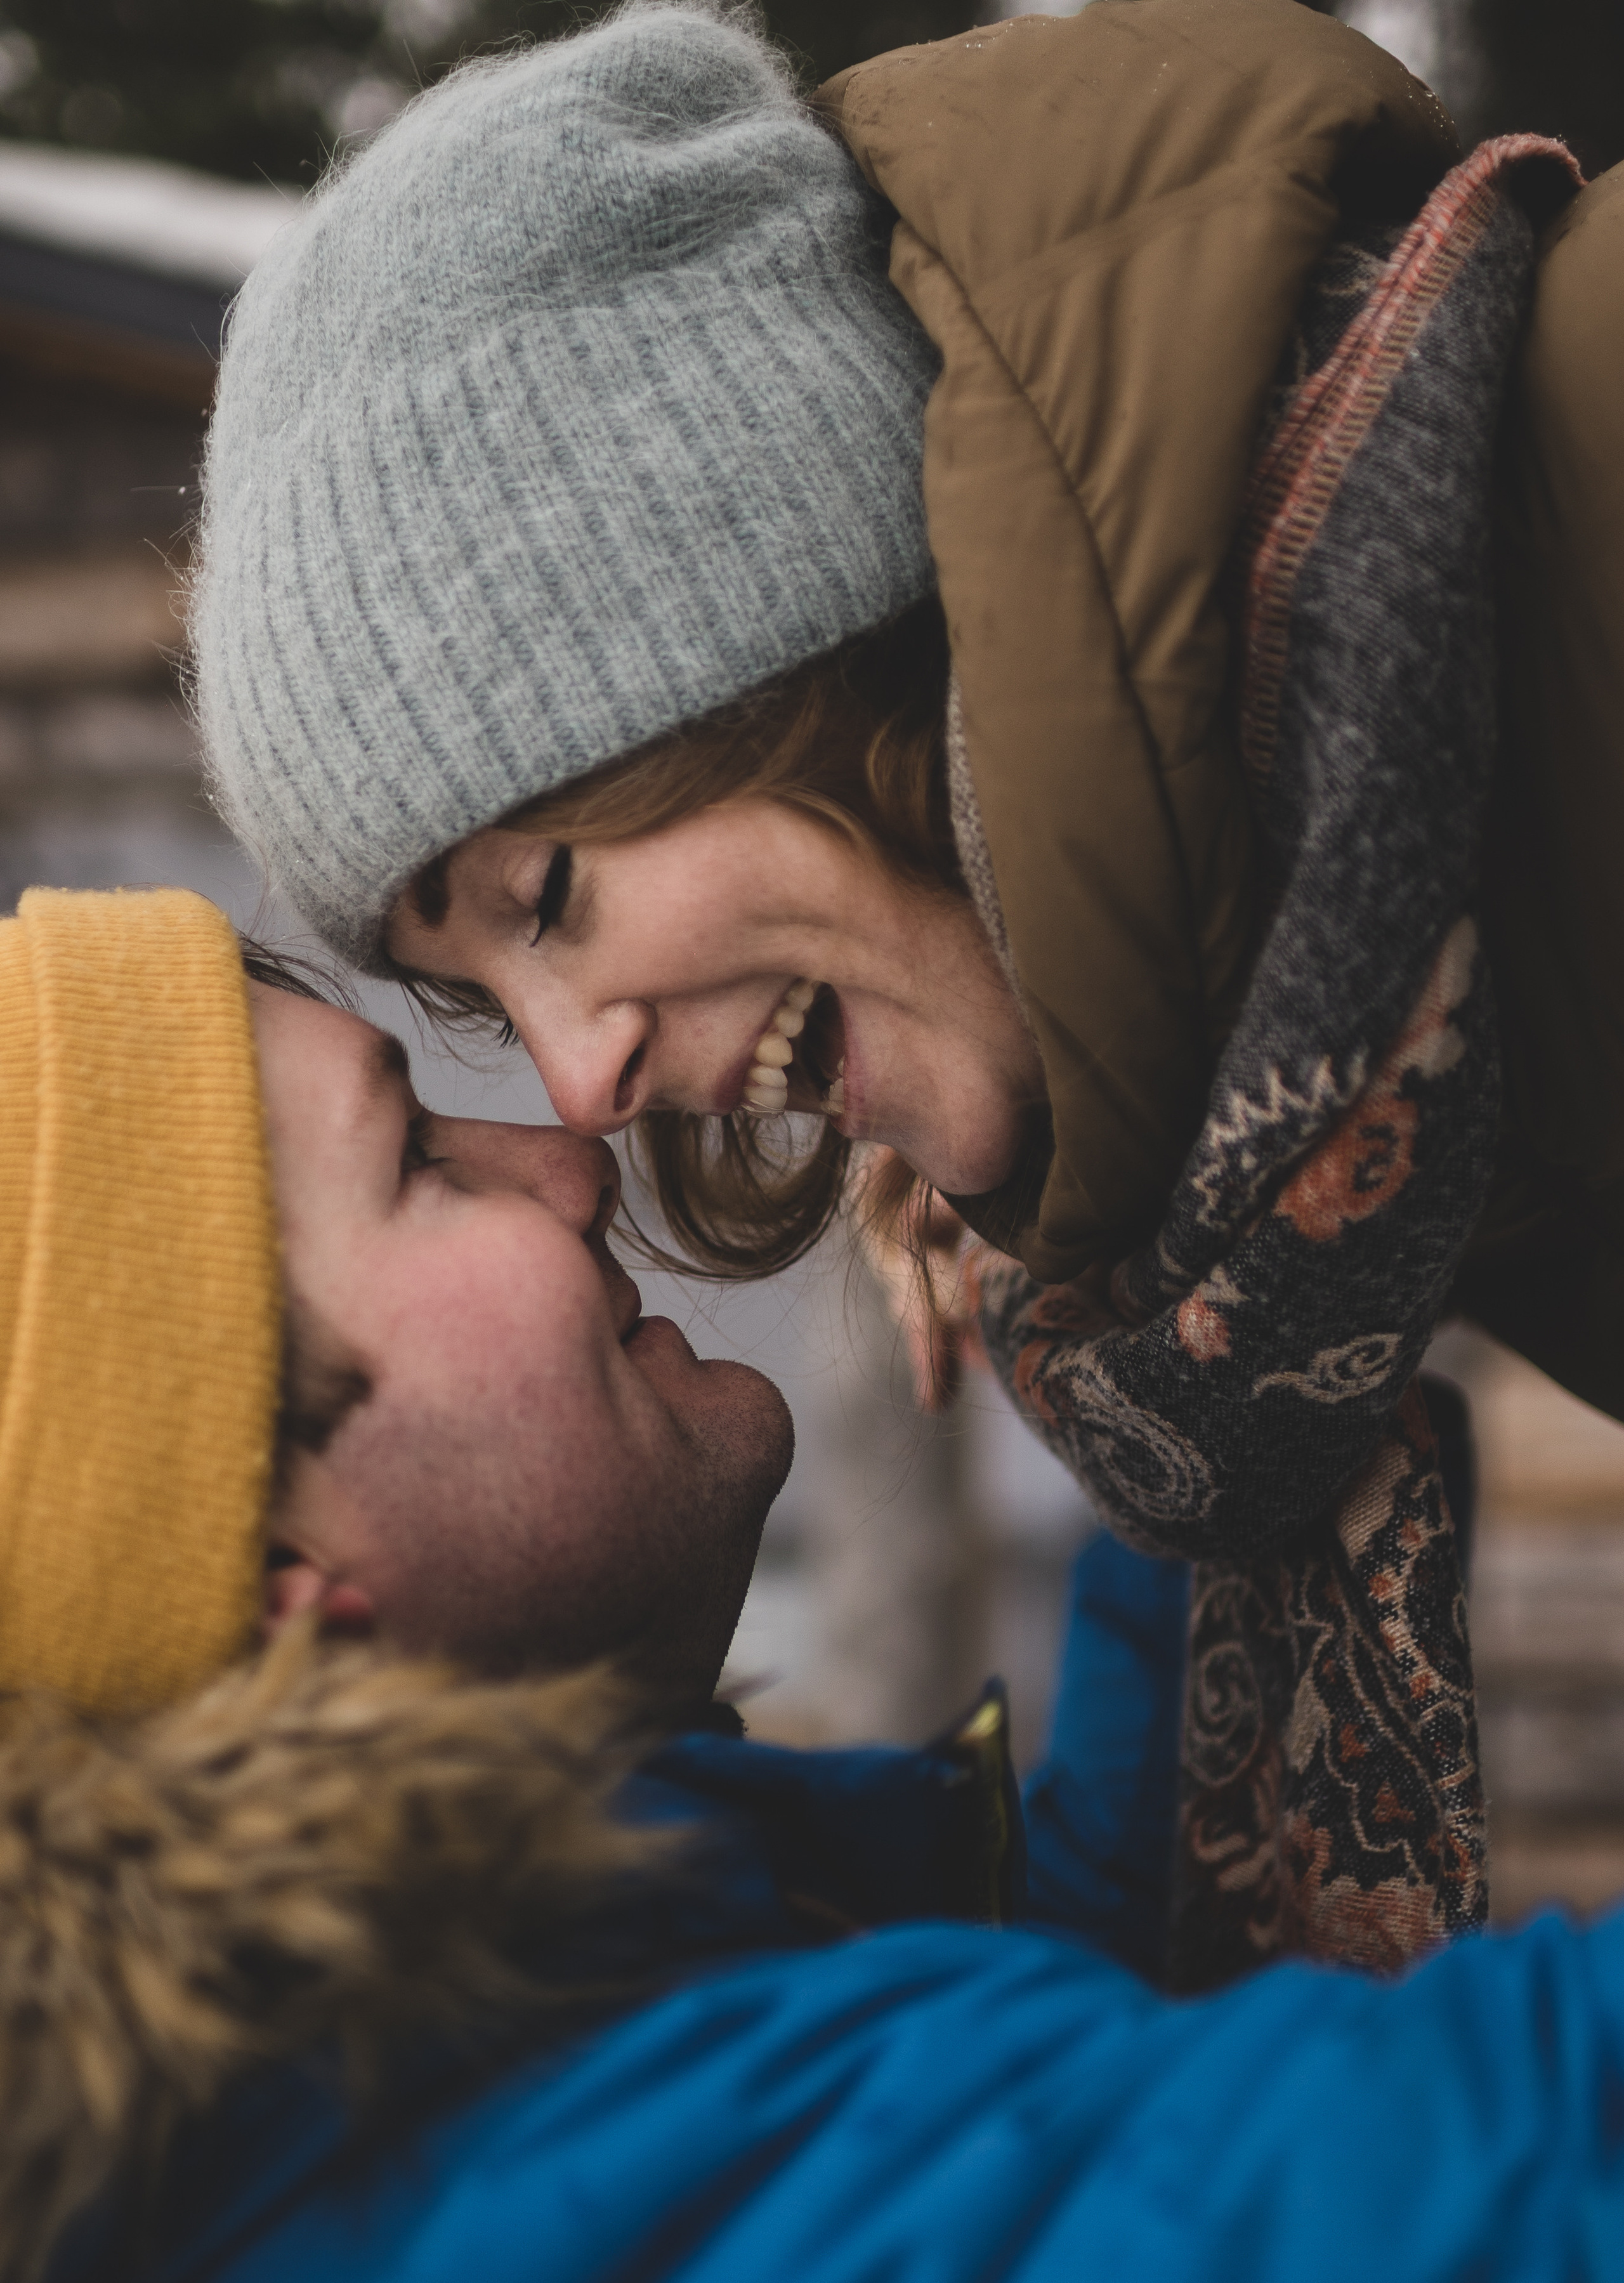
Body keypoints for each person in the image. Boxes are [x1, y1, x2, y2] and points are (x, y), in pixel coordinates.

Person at [184, 0, 1624, 1982]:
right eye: (488, 1006)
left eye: (551, 894)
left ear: (786, 630)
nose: (584, 1092)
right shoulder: (1329, 1067)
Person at [6, 879, 1624, 2283]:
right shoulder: (529, 2254)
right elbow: (1501, 2217)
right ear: (278, 1584)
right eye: (420, 1161)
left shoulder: (382, 2126)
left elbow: (1094, 2046)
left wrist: (1143, 1294)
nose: (568, 1158)